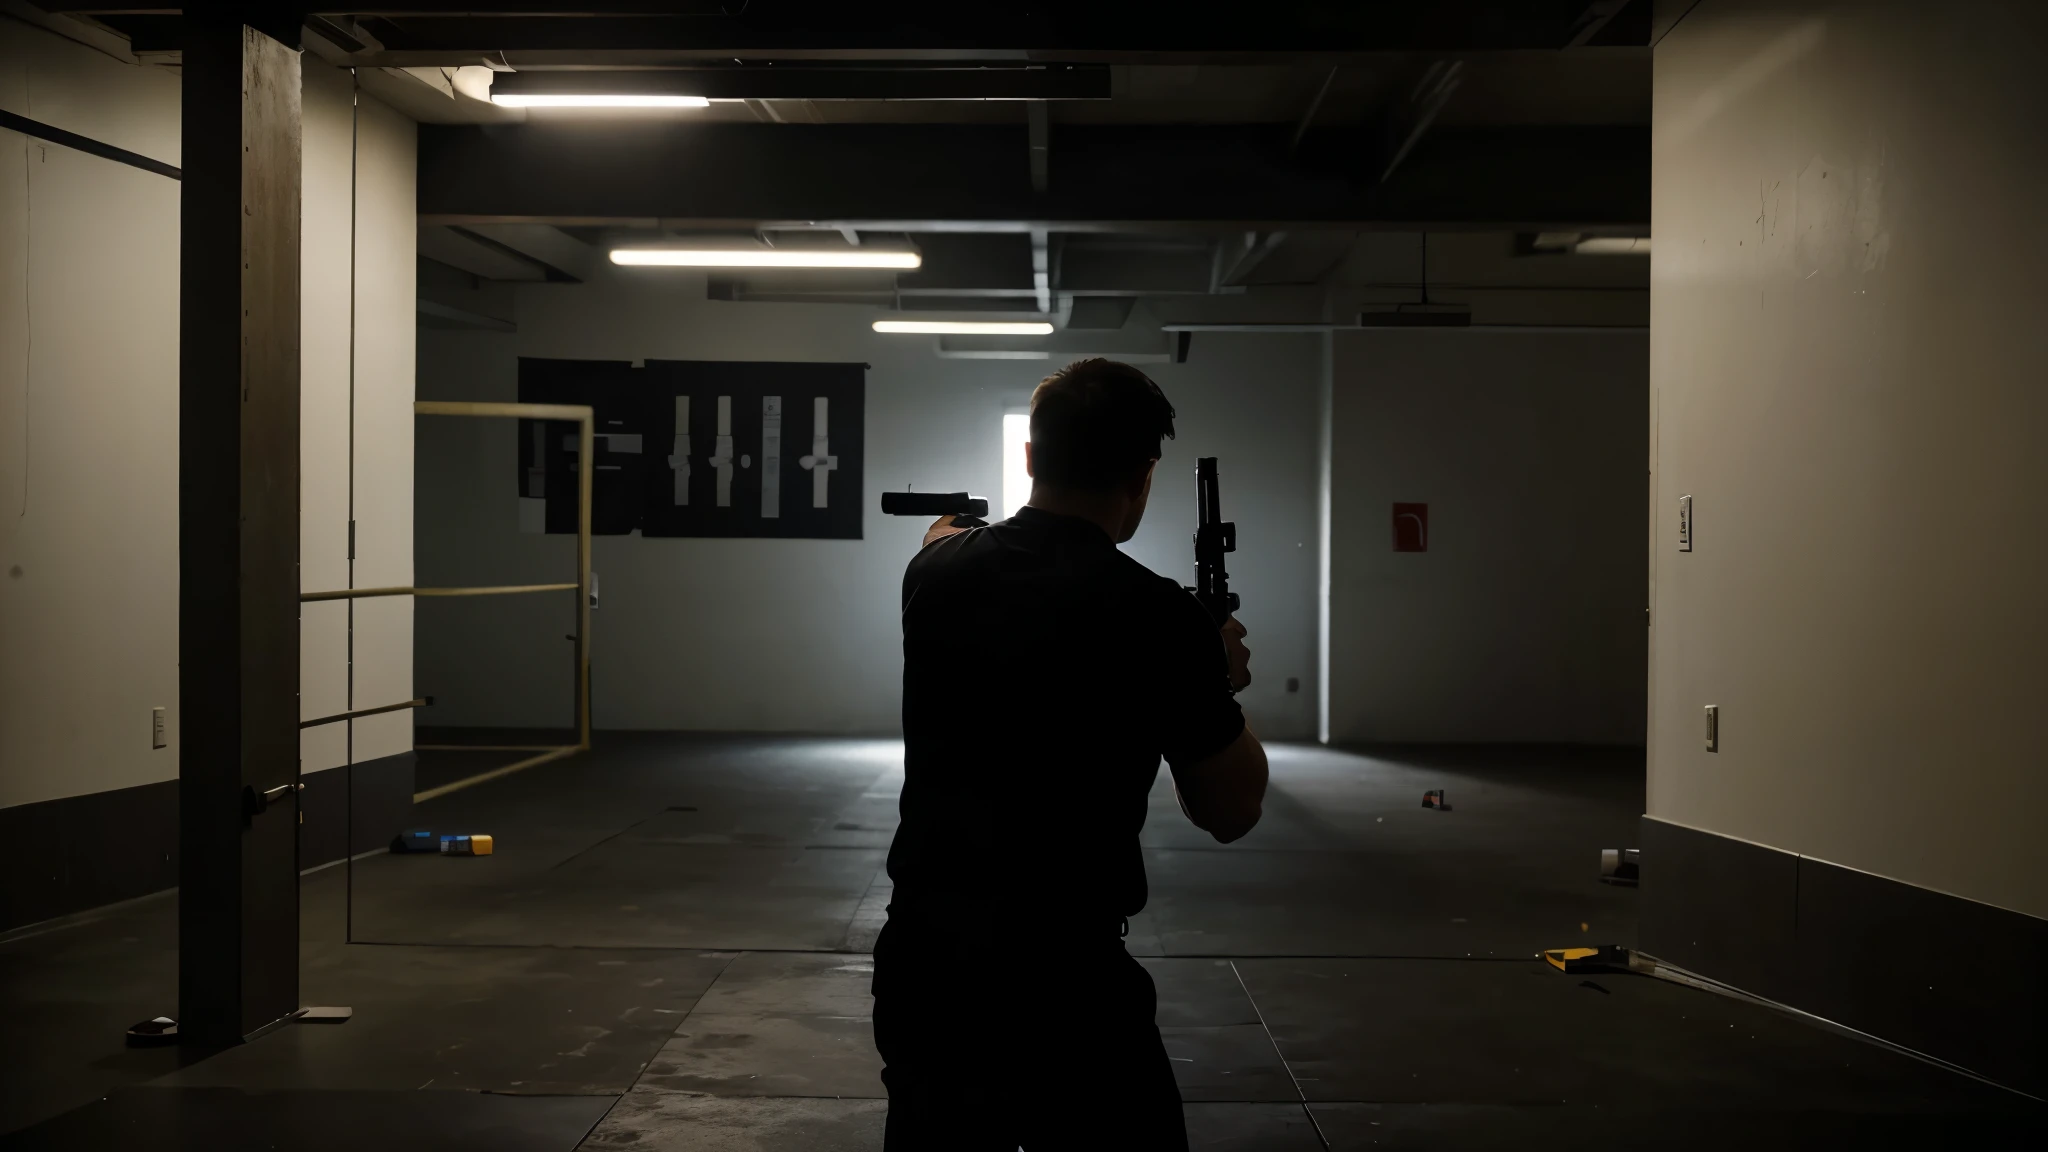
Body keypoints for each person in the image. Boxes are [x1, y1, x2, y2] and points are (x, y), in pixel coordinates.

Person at [872, 358, 1269, 1150]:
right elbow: (1230, 809)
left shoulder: (933, 573)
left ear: (1029, 457)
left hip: (927, 963)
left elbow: (948, 535)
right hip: (1066, 976)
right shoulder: (1156, 616)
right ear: (1144, 474)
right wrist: (1213, 676)